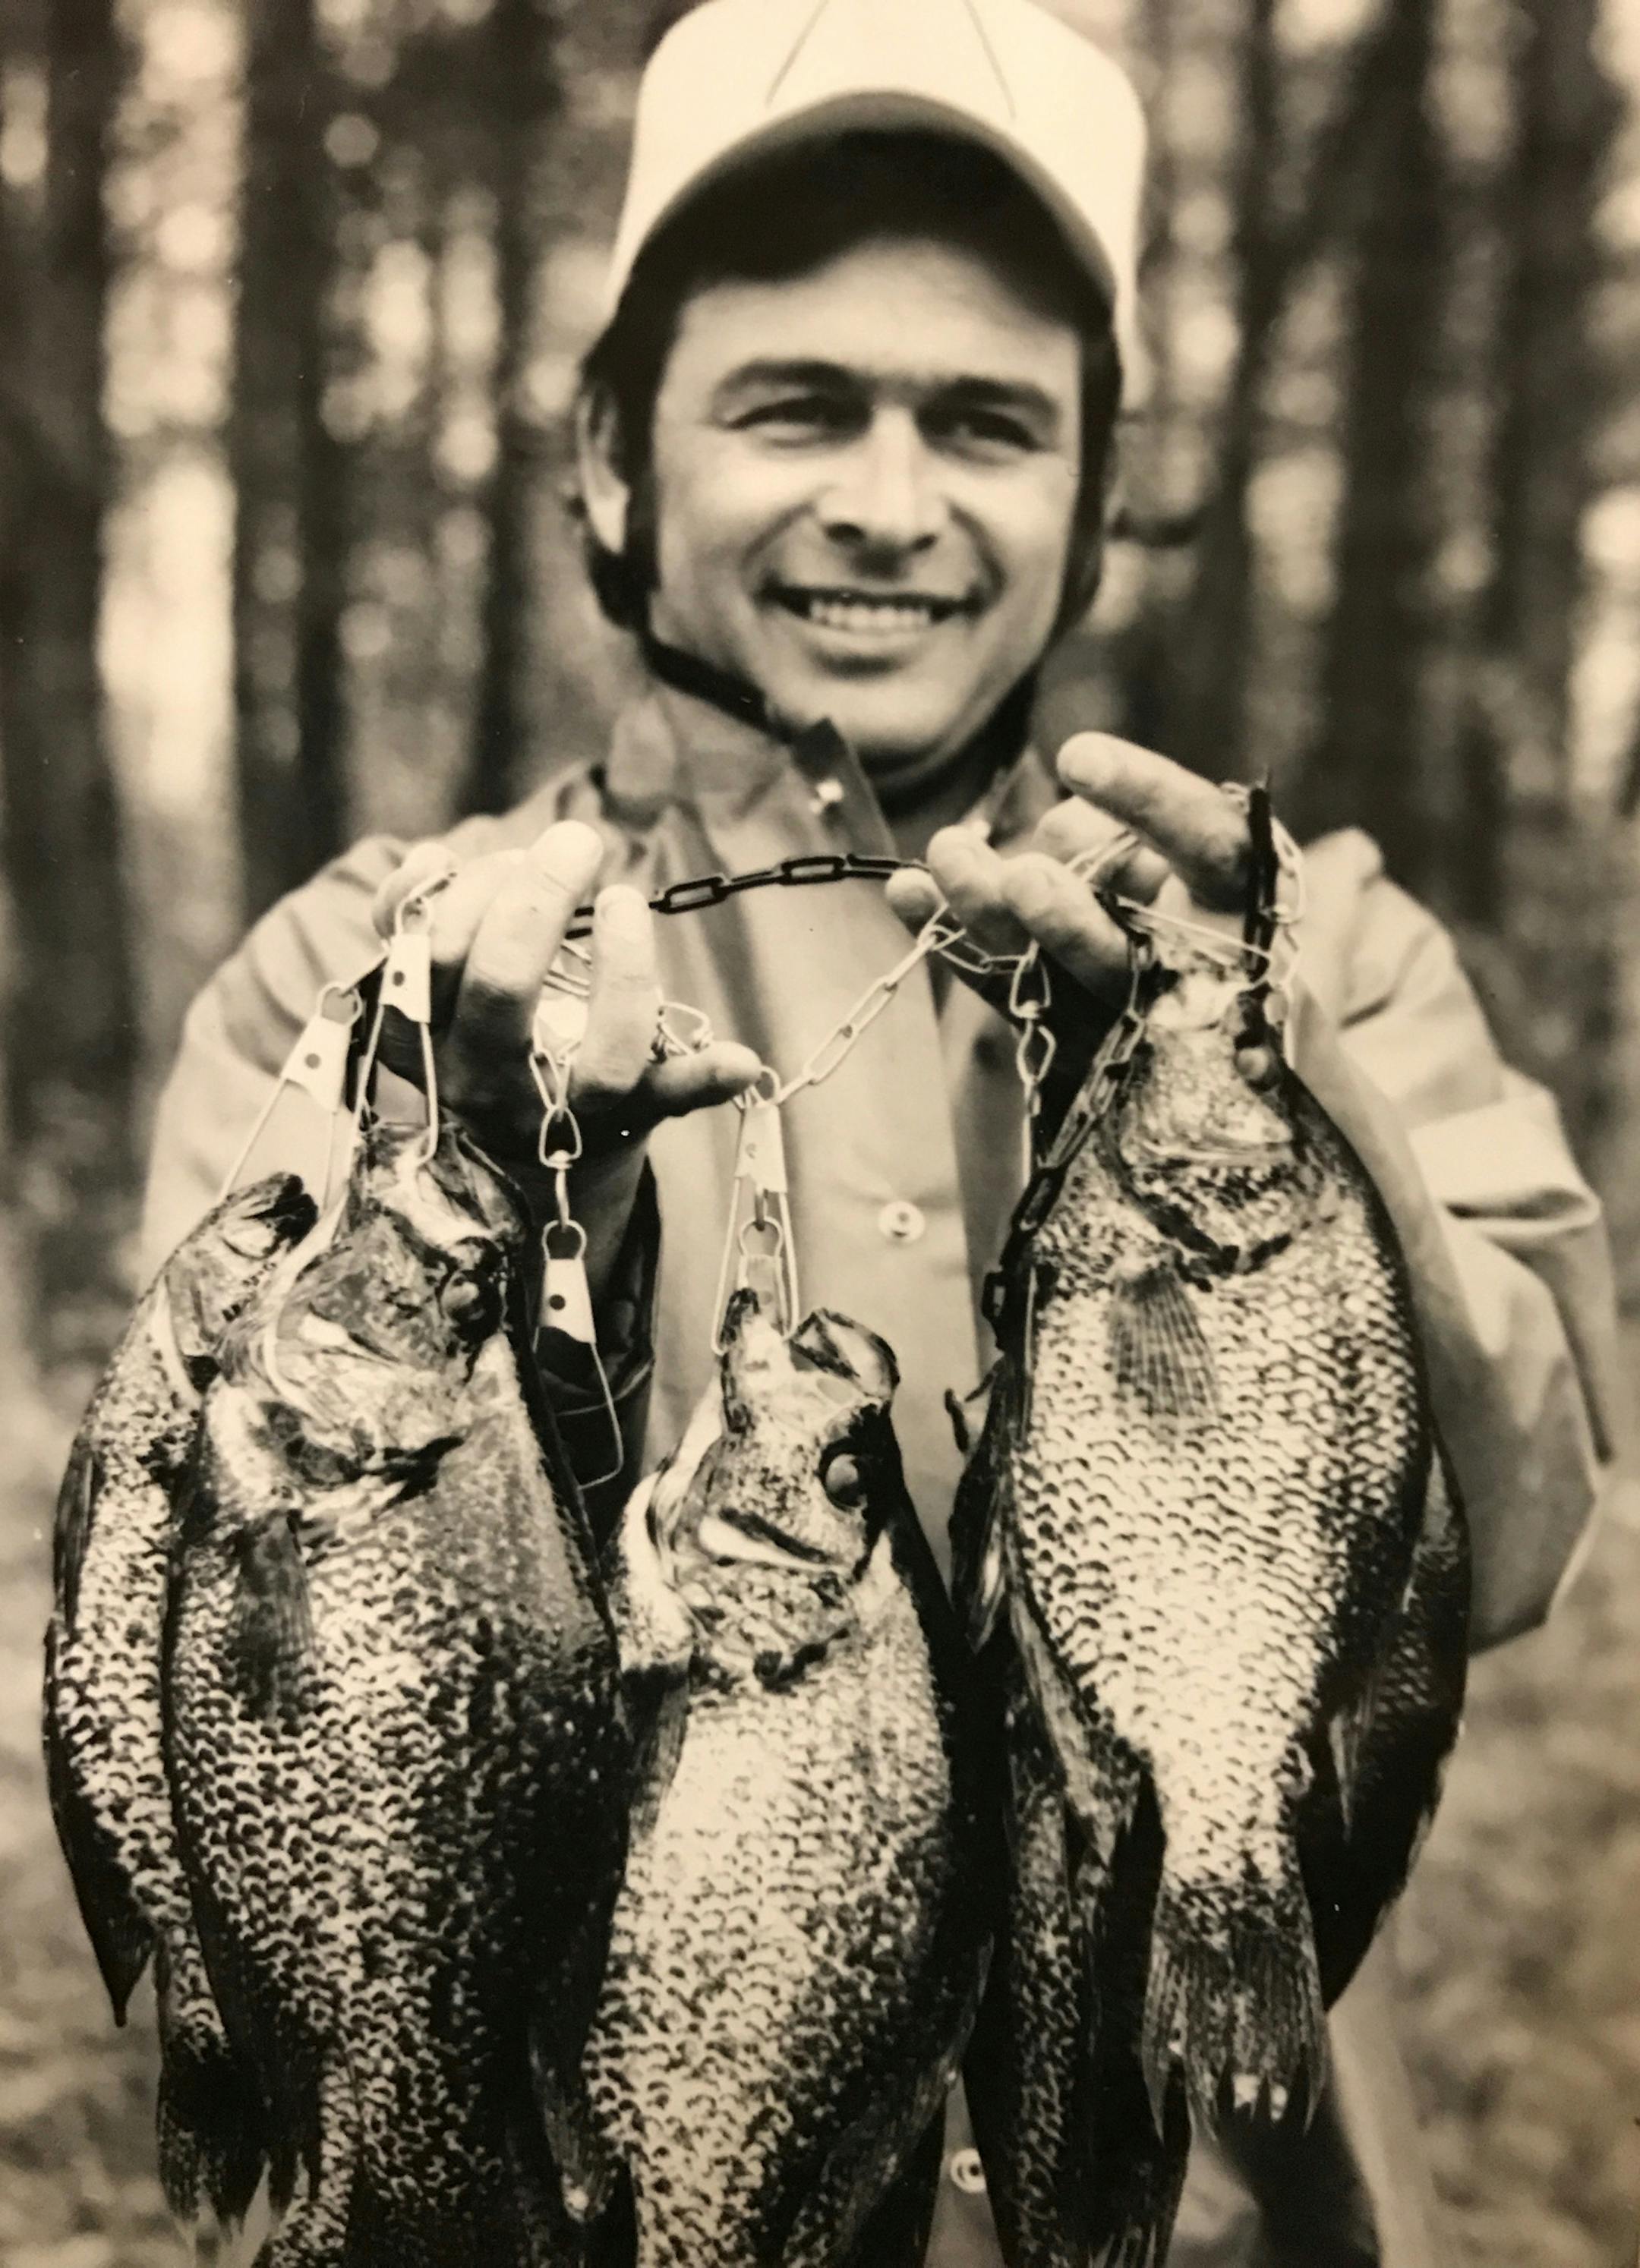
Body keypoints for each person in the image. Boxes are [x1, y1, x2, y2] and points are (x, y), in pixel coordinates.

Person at [141, 0, 1623, 2260]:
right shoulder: (362, 969)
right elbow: (233, 1631)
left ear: (1095, 505)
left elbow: (1516, 1527)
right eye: (797, 405)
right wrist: (500, 1180)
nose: (893, 500)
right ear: (615, 462)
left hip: (1199, 2193)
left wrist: (1263, 1055)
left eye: (989, 424)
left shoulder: (1316, 944)